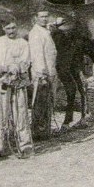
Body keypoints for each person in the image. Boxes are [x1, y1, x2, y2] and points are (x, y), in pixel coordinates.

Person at [0, 17, 34, 159]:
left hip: (17, 84)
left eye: (13, 28)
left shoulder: (23, 43)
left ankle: (25, 146)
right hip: (0, 84)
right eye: (8, 28)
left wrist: (10, 69)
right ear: (3, 29)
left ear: (17, 27)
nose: (11, 31)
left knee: (20, 114)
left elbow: (25, 63)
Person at [28, 9, 58, 140]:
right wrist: (42, 76)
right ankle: (38, 132)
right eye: (41, 17)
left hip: (49, 71)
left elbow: (49, 28)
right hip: (42, 75)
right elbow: (37, 55)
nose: (44, 19)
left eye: (46, 16)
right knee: (40, 103)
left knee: (47, 102)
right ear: (36, 18)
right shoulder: (35, 33)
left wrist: (55, 23)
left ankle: (45, 130)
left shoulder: (44, 30)